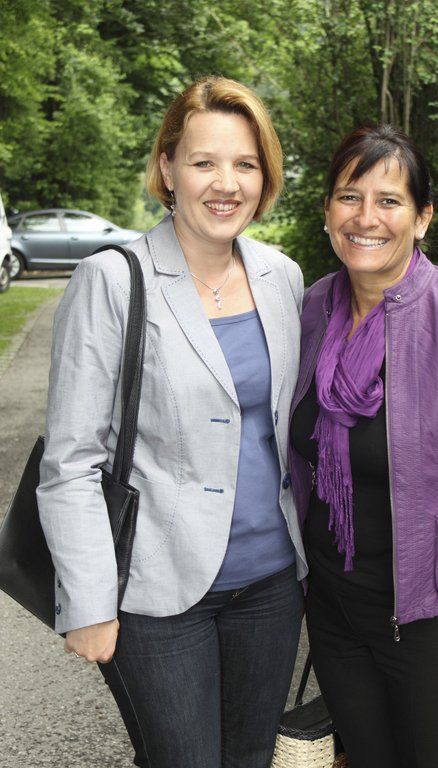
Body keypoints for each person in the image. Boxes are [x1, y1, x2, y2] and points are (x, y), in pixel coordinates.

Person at [37, 76, 308, 768]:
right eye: (203, 162)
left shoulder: (282, 276)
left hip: (272, 584)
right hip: (158, 592)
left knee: (251, 758)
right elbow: (70, 461)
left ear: (265, 176)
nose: (226, 184)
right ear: (167, 168)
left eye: (245, 164)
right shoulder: (112, 280)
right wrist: (89, 601)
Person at [288, 124, 438, 768]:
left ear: (422, 218)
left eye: (389, 200)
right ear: (328, 210)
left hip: (435, 617)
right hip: (335, 608)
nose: (366, 218)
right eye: (349, 197)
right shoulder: (311, 309)